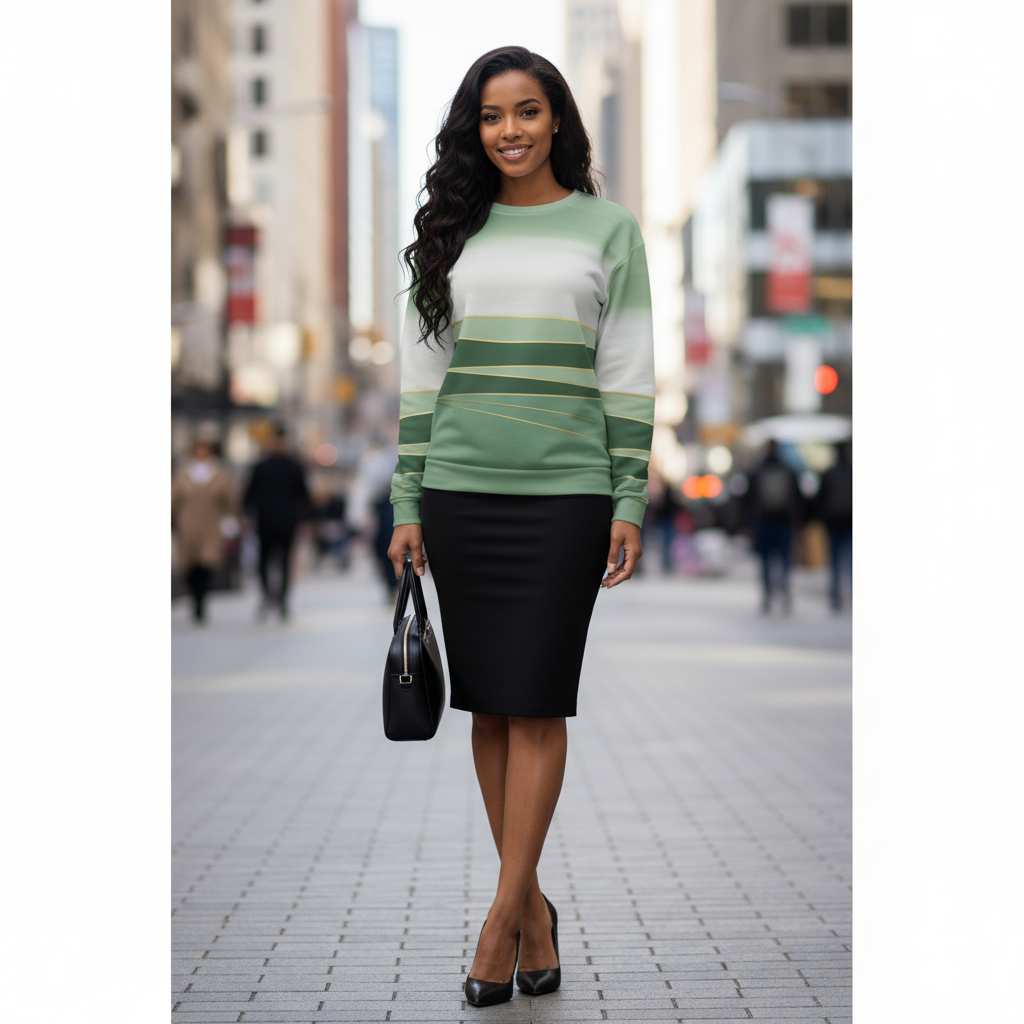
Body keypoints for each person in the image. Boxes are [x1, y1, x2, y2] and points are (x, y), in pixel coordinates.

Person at [387, 47, 654, 1007]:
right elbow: (421, 383)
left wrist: (629, 496)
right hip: (461, 493)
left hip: (566, 496)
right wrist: (407, 500)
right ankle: (532, 911)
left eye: (528, 111)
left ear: (557, 120)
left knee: (538, 701)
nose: (511, 130)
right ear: (475, 128)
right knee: (493, 706)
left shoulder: (609, 229)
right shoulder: (448, 236)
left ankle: (500, 921)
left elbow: (627, 371)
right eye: (493, 115)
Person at [243, 424, 310, 621]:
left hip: (287, 521)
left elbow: (303, 495)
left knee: (285, 562)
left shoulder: (294, 466)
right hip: (265, 521)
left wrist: (306, 520)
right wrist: (247, 516)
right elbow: (250, 494)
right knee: (263, 561)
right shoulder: (261, 466)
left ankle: (282, 600)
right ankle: (266, 596)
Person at [171, 439, 237, 623]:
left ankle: (202, 602)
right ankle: (194, 599)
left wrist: (232, 520)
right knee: (189, 565)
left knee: (207, 563)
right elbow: (174, 499)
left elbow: (229, 500)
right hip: (187, 526)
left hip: (210, 525)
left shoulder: (219, 474)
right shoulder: (183, 474)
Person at [747, 439, 802, 614]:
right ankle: (784, 591)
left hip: (763, 522)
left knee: (765, 561)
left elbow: (748, 500)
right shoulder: (788, 470)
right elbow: (798, 498)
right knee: (784, 559)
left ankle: (767, 595)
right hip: (784, 521)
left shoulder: (757, 470)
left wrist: (748, 524)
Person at [815, 440, 853, 611]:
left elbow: (820, 500)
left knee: (835, 561)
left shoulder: (829, 473)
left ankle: (836, 597)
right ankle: (851, 595)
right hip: (851, 522)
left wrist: (821, 519)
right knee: (851, 561)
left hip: (833, 523)